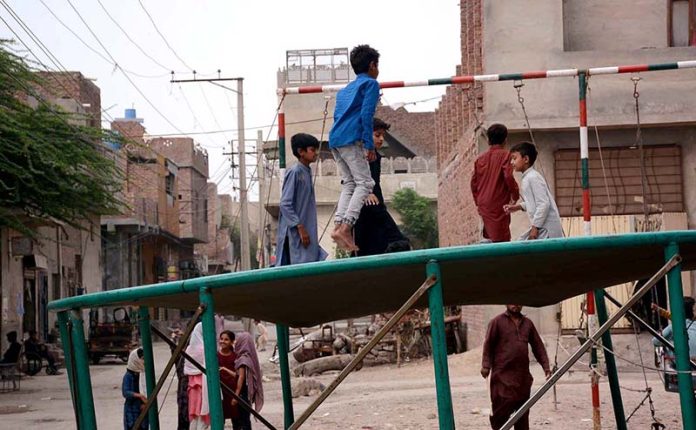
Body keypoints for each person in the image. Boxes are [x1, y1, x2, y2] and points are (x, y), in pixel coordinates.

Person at [328, 44, 380, 251]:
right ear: (372, 65)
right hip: (351, 138)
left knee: (349, 183)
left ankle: (338, 225)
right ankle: (347, 226)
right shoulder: (371, 85)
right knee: (366, 183)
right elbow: (366, 116)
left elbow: (337, 116)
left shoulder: (344, 91)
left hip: (335, 139)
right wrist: (369, 145)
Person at [481, 305, 551, 430]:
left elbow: (538, 346)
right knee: (500, 415)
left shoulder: (528, 324)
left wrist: (546, 367)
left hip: (522, 378)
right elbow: (488, 345)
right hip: (502, 378)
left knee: (522, 414)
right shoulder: (497, 322)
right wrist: (485, 365)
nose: (515, 304)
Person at [353, 118, 410, 256]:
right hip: (366, 205)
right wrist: (368, 193)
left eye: (382, 136)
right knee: (393, 239)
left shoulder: (375, 156)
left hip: (374, 203)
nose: (381, 139)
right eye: (377, 135)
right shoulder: (361, 156)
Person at [275, 133, 328, 266]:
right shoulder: (295, 172)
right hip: (296, 233)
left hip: (307, 229)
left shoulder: (307, 171)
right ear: (301, 152)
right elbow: (285, 204)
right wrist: (300, 227)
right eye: (312, 149)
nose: (316, 153)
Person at [504, 142, 563, 240]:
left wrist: (534, 229)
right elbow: (533, 202)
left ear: (526, 159)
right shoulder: (528, 177)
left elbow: (543, 204)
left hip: (546, 229)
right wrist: (517, 207)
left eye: (514, 158)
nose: (511, 162)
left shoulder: (533, 177)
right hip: (541, 227)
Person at [471, 123, 520, 243]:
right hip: (498, 202)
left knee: (489, 236)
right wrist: (515, 195)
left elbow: (473, 183)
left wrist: (478, 202)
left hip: (483, 203)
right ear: (505, 140)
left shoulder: (480, 159)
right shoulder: (505, 155)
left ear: (488, 140)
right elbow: (508, 176)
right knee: (501, 239)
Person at [233, 332, 264, 430]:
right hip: (246, 395)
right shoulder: (249, 358)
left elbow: (241, 378)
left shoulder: (243, 359)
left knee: (240, 421)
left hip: (242, 394)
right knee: (245, 420)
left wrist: (236, 395)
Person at [185, 322, 210, 429]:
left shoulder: (189, 349)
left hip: (192, 388)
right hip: (202, 387)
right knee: (203, 421)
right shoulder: (204, 348)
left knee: (194, 419)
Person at [122, 348, 148, 430]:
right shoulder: (128, 376)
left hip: (142, 409)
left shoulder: (142, 374)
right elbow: (125, 392)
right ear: (135, 359)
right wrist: (140, 396)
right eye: (142, 359)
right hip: (132, 411)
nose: (143, 361)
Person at [218, 330, 238, 425]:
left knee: (236, 420)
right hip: (220, 392)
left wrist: (225, 369)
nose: (223, 341)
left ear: (232, 341)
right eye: (221, 339)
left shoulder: (236, 357)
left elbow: (239, 375)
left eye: (226, 339)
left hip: (233, 391)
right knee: (220, 419)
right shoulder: (215, 356)